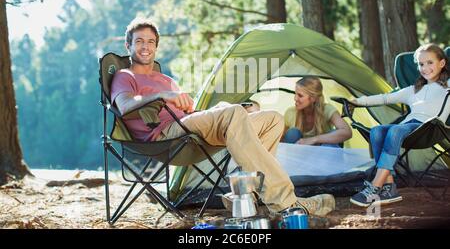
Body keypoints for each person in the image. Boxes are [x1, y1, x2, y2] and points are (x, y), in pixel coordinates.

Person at [110, 17, 336, 216]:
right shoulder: (125, 76)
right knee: (233, 113)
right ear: (128, 44)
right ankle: (287, 202)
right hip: (164, 135)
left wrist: (221, 110)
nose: (145, 46)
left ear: (156, 46)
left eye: (150, 41)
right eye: (139, 41)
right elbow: (125, 105)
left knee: (271, 119)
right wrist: (163, 95)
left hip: (190, 128)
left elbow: (191, 114)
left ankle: (248, 193)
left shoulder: (165, 79)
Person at [349, 43, 450, 207]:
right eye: (421, 64)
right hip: (408, 128)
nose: (425, 68)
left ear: (442, 63)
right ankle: (389, 187)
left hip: (430, 128)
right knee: (377, 131)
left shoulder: (447, 86)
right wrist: (356, 102)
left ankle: (375, 186)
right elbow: (384, 98)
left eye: (430, 62)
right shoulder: (413, 90)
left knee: (395, 130)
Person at [282, 76, 352, 147]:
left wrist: (314, 139)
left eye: (300, 95)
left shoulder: (327, 110)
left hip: (322, 154)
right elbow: (281, 139)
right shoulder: (291, 113)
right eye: (295, 94)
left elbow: (347, 132)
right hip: (297, 154)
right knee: (293, 133)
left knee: (333, 136)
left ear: (313, 98)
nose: (295, 98)